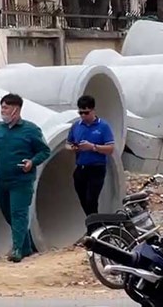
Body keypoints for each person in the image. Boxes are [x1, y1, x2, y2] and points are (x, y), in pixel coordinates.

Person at [0, 93, 51, 262]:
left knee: (18, 213)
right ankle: (26, 246)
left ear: (16, 109)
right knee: (7, 213)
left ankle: (16, 250)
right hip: (1, 180)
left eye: (6, 107)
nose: (3, 111)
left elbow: (44, 151)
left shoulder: (31, 129)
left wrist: (32, 162)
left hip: (21, 180)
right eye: (2, 107)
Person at [67, 95, 115, 230]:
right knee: (83, 200)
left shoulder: (103, 126)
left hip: (96, 168)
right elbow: (67, 144)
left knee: (91, 199)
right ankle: (96, 225)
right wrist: (73, 148)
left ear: (93, 110)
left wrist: (93, 147)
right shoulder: (76, 126)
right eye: (80, 113)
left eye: (86, 112)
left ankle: (93, 229)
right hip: (81, 167)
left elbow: (110, 148)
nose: (83, 116)